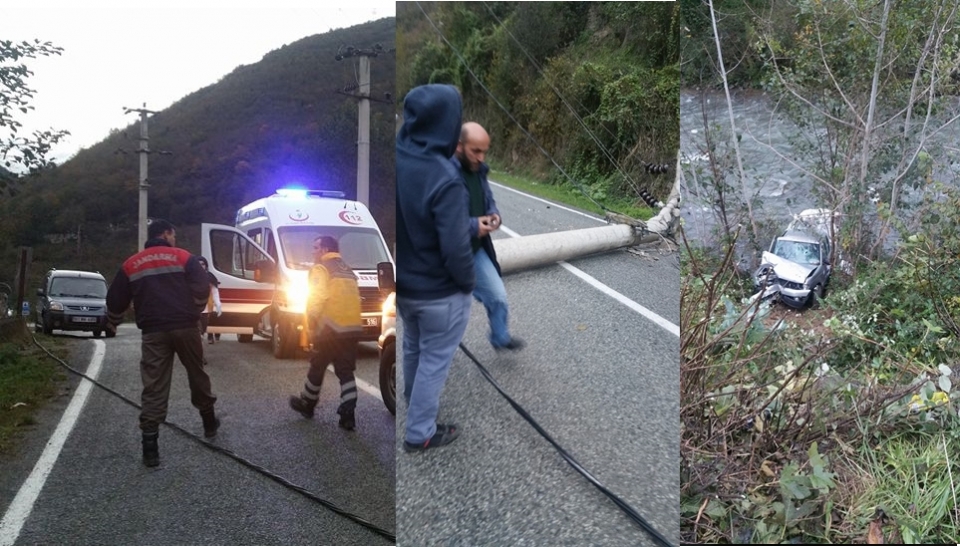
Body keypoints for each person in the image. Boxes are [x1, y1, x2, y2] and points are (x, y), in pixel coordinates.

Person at [396, 84, 475, 453]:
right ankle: (420, 432)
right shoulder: (445, 178)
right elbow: (456, 249)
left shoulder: (398, 158)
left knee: (413, 347)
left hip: (406, 290)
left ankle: (413, 406)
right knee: (434, 360)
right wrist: (468, 284)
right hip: (439, 293)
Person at [106, 219, 219, 468]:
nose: (174, 240)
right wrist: (195, 309)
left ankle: (150, 446)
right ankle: (209, 422)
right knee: (196, 373)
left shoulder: (131, 264)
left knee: (154, 384)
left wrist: (112, 322)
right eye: (173, 236)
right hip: (186, 327)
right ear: (167, 233)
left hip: (153, 331)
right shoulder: (183, 257)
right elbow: (203, 286)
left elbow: (115, 299)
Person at [452, 121, 525, 351]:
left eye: (484, 151)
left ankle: (500, 337)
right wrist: (474, 225)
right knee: (447, 313)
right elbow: (442, 221)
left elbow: (488, 199)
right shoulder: (444, 174)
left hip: (476, 249)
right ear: (458, 146)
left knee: (498, 296)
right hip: (449, 255)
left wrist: (494, 214)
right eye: (476, 151)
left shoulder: (479, 171)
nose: (482, 157)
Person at [288, 235, 362, 430]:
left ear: (324, 249)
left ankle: (307, 404)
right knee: (346, 371)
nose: (313, 252)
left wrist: (311, 320)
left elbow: (317, 296)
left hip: (330, 328)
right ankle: (348, 414)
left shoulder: (321, 268)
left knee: (317, 365)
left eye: (315, 248)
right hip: (352, 329)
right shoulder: (347, 269)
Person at [196, 256, 222, 345]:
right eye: (198, 264)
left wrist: (218, 304)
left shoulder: (209, 277)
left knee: (203, 327)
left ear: (206, 265)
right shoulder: (190, 276)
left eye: (202, 264)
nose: (201, 266)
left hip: (205, 306)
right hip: (193, 307)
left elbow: (215, 292)